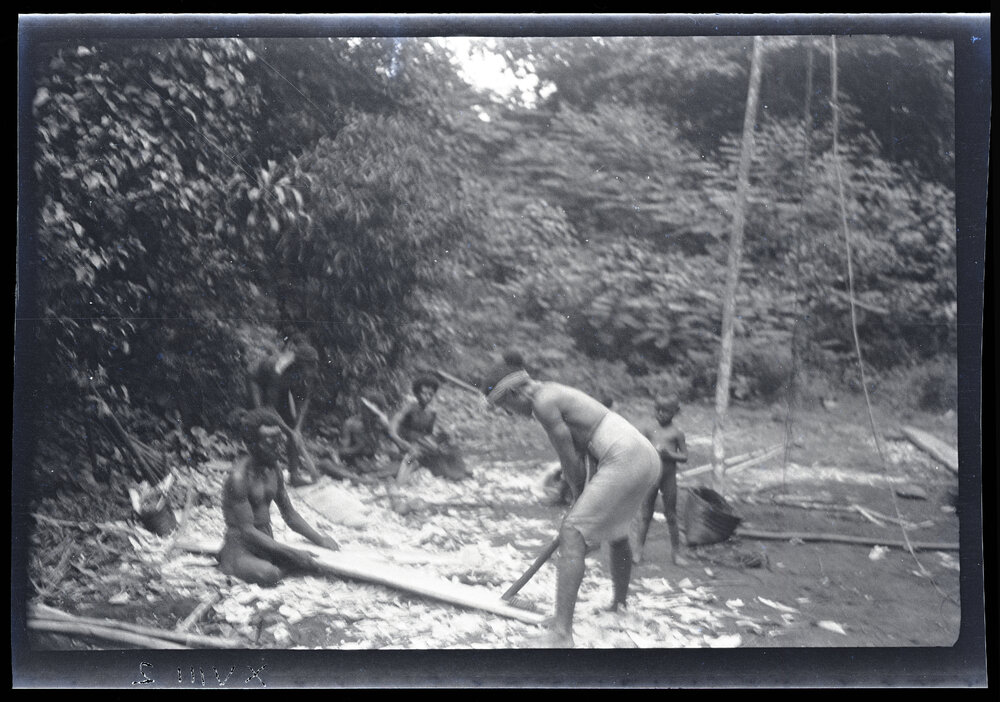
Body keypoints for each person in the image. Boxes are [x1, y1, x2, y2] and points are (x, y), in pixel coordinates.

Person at [481, 352, 661, 648]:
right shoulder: (551, 392)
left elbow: (570, 461)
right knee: (616, 532)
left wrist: (578, 500)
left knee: (573, 532)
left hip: (625, 454)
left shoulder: (543, 403)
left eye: (505, 406)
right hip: (642, 454)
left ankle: (561, 634)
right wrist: (582, 496)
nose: (509, 414)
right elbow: (582, 452)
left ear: (514, 393)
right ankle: (619, 606)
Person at [218, 408, 340, 587]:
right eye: (271, 444)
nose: (279, 449)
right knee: (270, 574)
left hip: (266, 545)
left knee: (314, 565)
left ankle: (276, 564)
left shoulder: (273, 469)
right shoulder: (238, 479)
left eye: (280, 442)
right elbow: (248, 531)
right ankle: (230, 563)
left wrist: (319, 539)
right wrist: (292, 553)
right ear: (252, 444)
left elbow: (289, 514)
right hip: (241, 547)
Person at [248, 339, 322, 486]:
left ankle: (293, 476)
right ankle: (259, 473)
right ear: (299, 363)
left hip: (283, 385)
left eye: (313, 366)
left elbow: (303, 402)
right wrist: (285, 428)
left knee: (293, 428)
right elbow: (271, 407)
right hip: (257, 379)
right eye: (308, 366)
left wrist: (297, 429)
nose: (311, 369)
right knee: (262, 421)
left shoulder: (310, 373)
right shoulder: (279, 367)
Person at [629, 394, 689, 566]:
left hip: (669, 478)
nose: (661, 414)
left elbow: (685, 456)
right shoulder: (649, 429)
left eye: (666, 411)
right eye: (658, 410)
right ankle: (638, 551)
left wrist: (669, 454)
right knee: (646, 515)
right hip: (651, 477)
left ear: (676, 412)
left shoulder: (676, 433)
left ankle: (676, 553)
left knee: (671, 515)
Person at [389, 374, 469, 482]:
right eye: (424, 393)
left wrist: (440, 444)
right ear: (417, 393)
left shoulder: (431, 414)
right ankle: (399, 483)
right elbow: (395, 422)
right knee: (412, 457)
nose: (427, 397)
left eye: (430, 394)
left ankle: (458, 472)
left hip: (423, 447)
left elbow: (429, 435)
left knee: (449, 444)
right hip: (406, 447)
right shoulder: (409, 408)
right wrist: (397, 439)